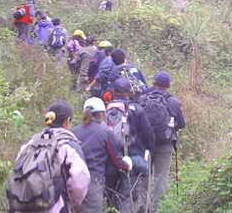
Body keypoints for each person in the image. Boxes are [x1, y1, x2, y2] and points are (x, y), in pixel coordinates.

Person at [7, 100, 90, 212]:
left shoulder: (30, 143)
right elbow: (79, 181)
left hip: (24, 207)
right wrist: (73, 203)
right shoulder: (68, 145)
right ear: (67, 121)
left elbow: (17, 169)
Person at [73, 97, 133, 213]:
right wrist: (127, 165)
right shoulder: (106, 133)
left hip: (73, 182)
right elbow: (117, 162)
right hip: (93, 183)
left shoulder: (74, 131)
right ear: (102, 114)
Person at [139, 71, 185, 212]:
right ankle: (157, 208)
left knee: (144, 174)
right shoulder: (173, 102)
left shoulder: (142, 99)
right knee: (161, 176)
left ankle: (141, 206)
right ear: (168, 85)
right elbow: (182, 124)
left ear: (153, 83)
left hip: (145, 143)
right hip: (164, 144)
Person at [107, 78, 155, 213]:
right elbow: (148, 134)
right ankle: (142, 208)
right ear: (129, 92)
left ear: (113, 92)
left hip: (112, 159)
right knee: (137, 186)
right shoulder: (136, 110)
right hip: (134, 156)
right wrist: (150, 151)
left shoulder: (105, 109)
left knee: (112, 191)